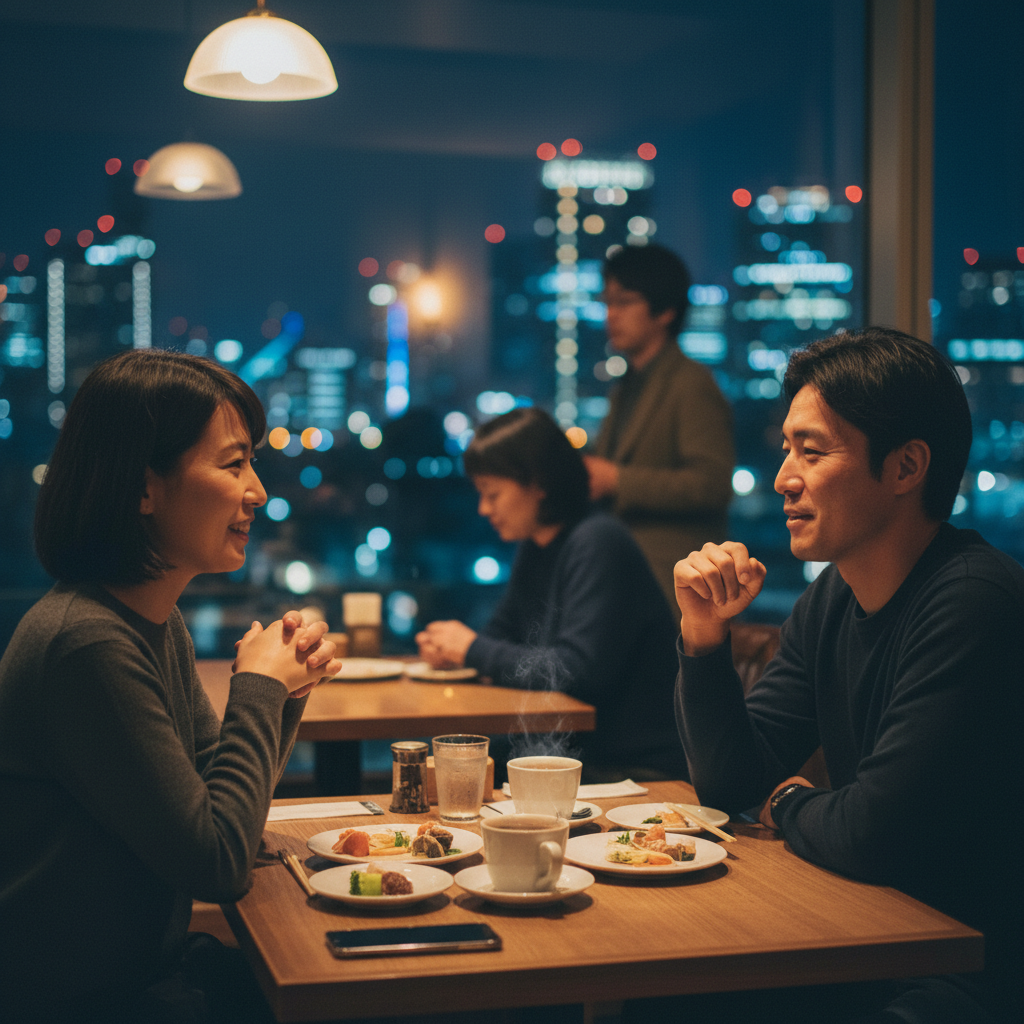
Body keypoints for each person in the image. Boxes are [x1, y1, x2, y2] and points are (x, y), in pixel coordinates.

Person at [667, 328, 1023, 1022]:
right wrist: (704, 637)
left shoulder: (973, 602)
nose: (783, 479)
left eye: (813, 451)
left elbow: (876, 831)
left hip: (970, 969)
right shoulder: (834, 595)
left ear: (906, 467)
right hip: (876, 935)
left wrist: (789, 804)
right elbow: (733, 781)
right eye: (785, 450)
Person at [0, 349, 342, 1023]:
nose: (259, 493)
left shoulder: (151, 621)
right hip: (81, 1001)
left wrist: (283, 694)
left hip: (137, 973)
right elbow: (215, 861)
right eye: (233, 463)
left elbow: (218, 792)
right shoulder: (87, 642)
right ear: (144, 486)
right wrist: (258, 691)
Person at [416, 406, 685, 783]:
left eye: (492, 494)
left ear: (538, 483)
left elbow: (579, 672)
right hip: (566, 753)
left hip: (632, 770)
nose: (484, 509)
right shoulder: (538, 544)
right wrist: (453, 651)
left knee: (452, 777)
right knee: (442, 769)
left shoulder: (598, 541)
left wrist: (471, 650)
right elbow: (501, 635)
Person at [585, 243, 735, 610]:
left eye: (623, 302)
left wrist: (616, 479)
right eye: (606, 302)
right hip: (625, 576)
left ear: (665, 309)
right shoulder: (627, 387)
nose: (611, 315)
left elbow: (711, 485)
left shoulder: (690, 383)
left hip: (671, 585)